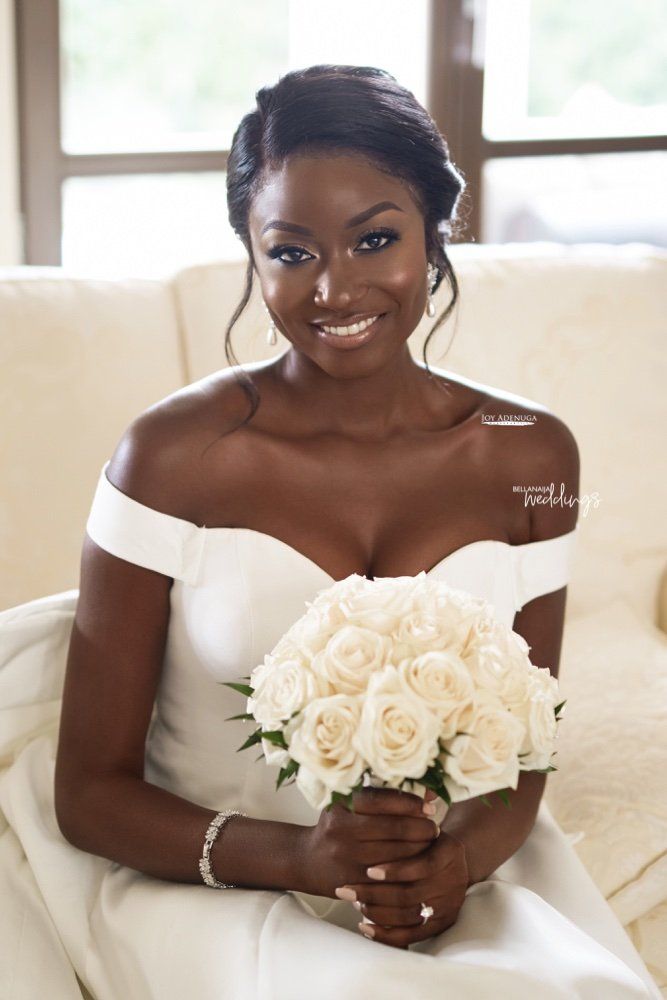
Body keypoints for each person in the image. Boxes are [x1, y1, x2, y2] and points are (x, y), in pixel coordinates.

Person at [0, 64, 660, 1000]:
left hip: (445, 891)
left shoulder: (531, 458)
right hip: (206, 884)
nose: (335, 289)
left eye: (375, 239)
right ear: (251, 252)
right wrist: (301, 858)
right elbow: (90, 794)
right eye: (292, 251)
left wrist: (452, 867)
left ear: (435, 233)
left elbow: (521, 765)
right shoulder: (170, 456)